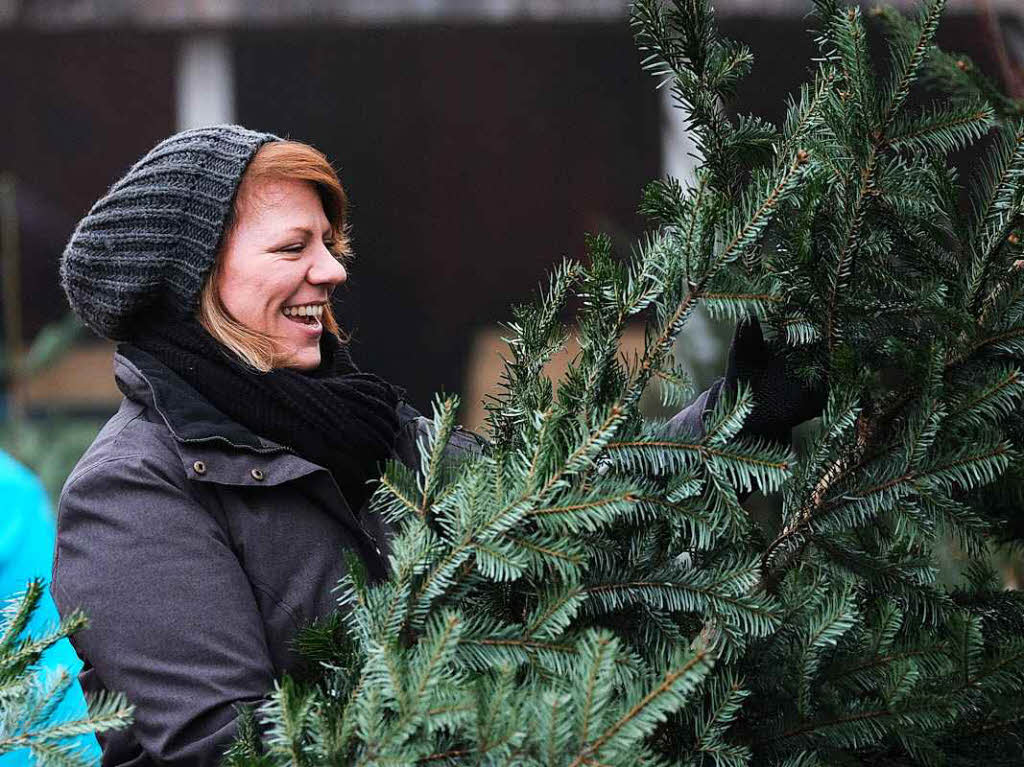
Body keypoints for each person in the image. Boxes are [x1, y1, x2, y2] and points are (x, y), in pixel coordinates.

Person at [50, 125, 820, 766]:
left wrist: (742, 410)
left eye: (329, 241)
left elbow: (561, 508)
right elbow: (232, 748)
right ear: (193, 283)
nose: (332, 268)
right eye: (293, 248)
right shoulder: (134, 491)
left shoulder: (369, 429)